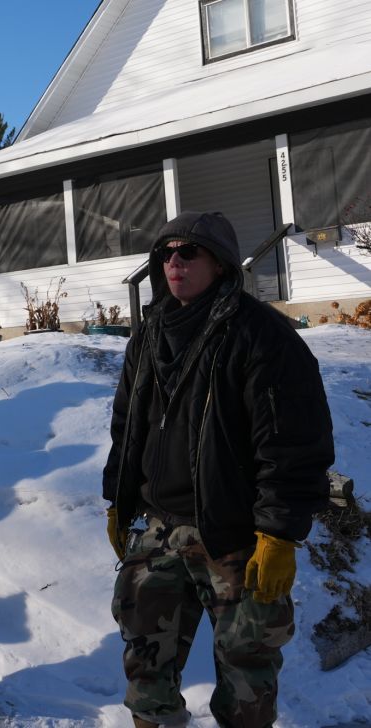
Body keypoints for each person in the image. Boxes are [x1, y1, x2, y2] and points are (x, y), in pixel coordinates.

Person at [103, 211, 334, 728]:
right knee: (146, 669)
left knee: (246, 677)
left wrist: (279, 534)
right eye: (165, 252)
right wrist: (118, 500)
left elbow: (293, 445)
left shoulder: (261, 337)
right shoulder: (149, 336)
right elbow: (127, 427)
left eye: (189, 251)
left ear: (222, 264)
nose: (174, 262)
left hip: (234, 536)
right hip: (159, 529)